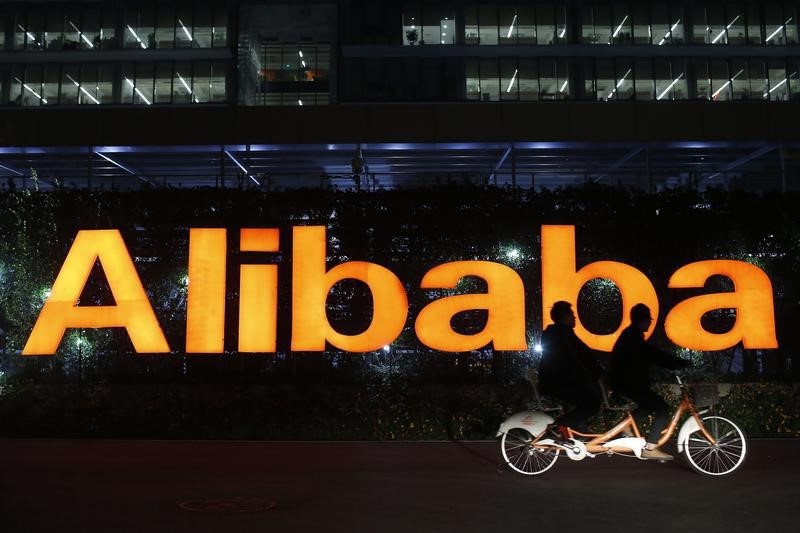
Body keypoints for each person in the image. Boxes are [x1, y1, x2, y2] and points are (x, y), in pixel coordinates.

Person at [609, 303, 688, 460]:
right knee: (662, 409)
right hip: (627, 382)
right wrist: (677, 363)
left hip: (624, 382)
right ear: (643, 320)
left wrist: (672, 363)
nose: (651, 322)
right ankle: (650, 448)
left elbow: (647, 356)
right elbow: (651, 354)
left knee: (647, 406)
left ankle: (626, 427)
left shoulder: (631, 334)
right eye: (649, 319)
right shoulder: (633, 336)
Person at [538, 301, 604, 436]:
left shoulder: (561, 333)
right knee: (592, 403)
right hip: (559, 384)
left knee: (589, 399)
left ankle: (576, 431)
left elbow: (583, 356)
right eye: (572, 315)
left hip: (561, 382)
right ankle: (558, 426)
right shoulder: (561, 335)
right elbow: (574, 360)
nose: (575, 317)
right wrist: (594, 374)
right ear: (564, 317)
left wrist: (595, 372)